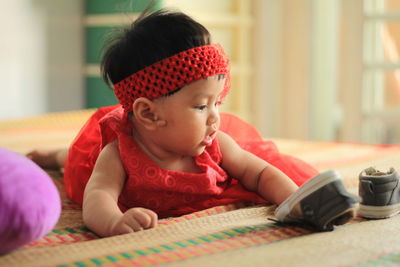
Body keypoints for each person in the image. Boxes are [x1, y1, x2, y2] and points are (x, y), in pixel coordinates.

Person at [28, 9, 325, 237]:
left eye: (216, 103)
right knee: (79, 161)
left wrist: (292, 200)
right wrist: (114, 222)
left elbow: (260, 174)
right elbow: (98, 196)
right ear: (148, 114)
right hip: (95, 162)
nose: (214, 117)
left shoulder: (217, 144)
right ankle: (54, 154)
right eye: (200, 106)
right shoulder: (119, 154)